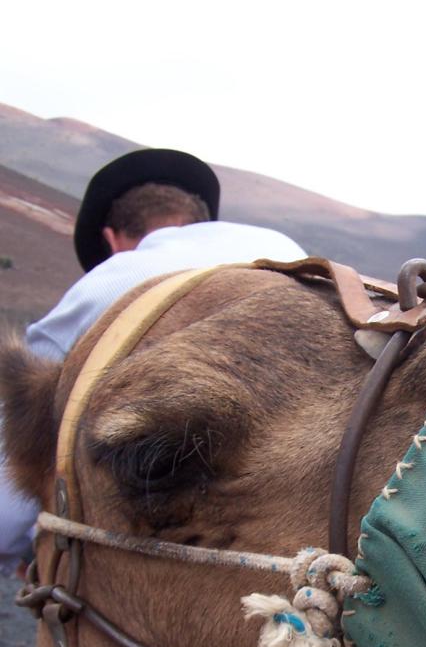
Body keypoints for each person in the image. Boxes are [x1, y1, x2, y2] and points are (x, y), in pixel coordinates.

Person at [0, 147, 307, 573]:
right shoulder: (294, 257)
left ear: (111, 240)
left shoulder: (115, 281)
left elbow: (22, 453)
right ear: (201, 221)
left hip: (182, 558)